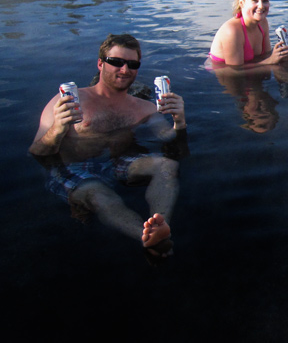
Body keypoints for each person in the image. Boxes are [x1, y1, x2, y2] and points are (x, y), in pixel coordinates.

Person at [29, 34, 187, 262]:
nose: (125, 69)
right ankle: (147, 239)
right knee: (99, 194)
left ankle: (160, 224)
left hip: (117, 161)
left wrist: (180, 121)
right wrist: (58, 128)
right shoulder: (67, 102)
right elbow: (37, 152)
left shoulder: (145, 108)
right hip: (72, 167)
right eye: (116, 62)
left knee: (167, 165)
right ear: (100, 63)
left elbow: (170, 139)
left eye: (132, 64)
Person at [208, 0, 288, 67]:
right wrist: (271, 61)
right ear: (242, 3)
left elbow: (267, 55)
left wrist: (280, 55)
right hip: (224, 74)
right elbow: (234, 71)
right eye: (255, 1)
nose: (261, 6)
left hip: (251, 70)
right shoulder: (232, 31)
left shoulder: (263, 22)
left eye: (265, 1)